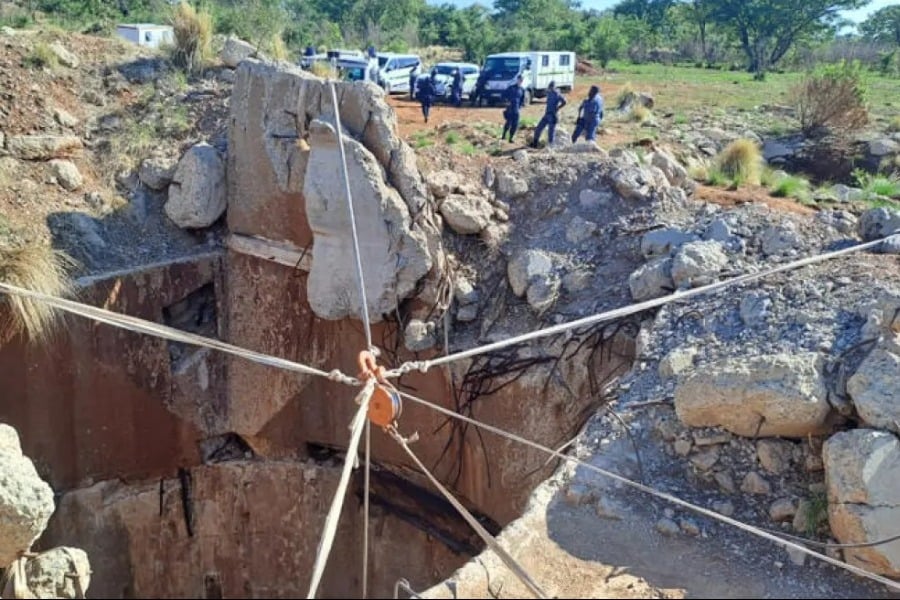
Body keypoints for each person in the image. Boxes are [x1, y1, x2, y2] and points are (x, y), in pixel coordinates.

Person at [531, 80, 567, 148]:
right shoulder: (549, 93)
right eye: (549, 87)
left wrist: (558, 108)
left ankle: (551, 147)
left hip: (553, 115)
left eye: (551, 87)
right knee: (538, 128)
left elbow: (564, 102)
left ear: (554, 87)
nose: (550, 89)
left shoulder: (557, 94)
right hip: (547, 114)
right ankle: (535, 143)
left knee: (551, 132)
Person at [501, 74, 526, 143]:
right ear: (517, 80)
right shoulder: (511, 88)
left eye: (521, 80)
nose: (520, 81)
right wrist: (506, 102)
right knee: (508, 123)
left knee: (515, 124)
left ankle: (511, 138)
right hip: (510, 108)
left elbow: (522, 100)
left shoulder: (522, 90)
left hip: (516, 109)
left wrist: (520, 106)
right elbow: (503, 95)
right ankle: (503, 135)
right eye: (519, 80)